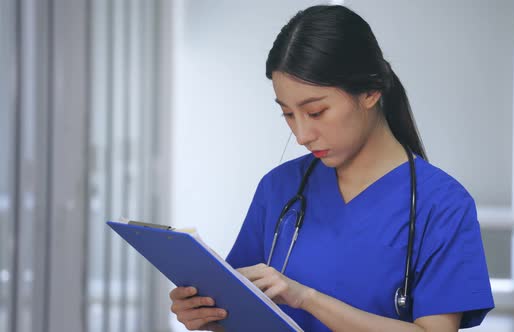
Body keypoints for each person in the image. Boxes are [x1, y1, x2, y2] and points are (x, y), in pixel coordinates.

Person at [169, 5, 494, 331]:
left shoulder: (442, 205)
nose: (301, 135)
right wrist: (206, 315)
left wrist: (307, 298)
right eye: (288, 114)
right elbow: (242, 311)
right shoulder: (279, 188)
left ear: (370, 91)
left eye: (316, 111)